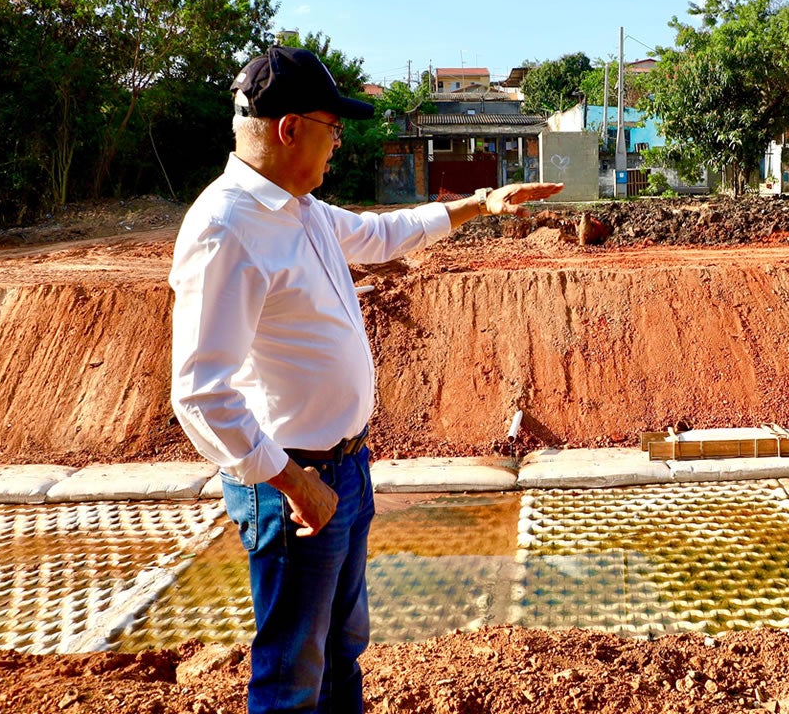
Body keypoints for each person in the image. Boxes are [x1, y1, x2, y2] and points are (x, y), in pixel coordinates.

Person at [168, 45, 562, 714]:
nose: (339, 145)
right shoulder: (227, 229)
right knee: (292, 673)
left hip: (344, 468)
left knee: (339, 650)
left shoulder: (302, 210)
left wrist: (484, 203)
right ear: (290, 128)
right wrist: (295, 485)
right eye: (333, 128)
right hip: (293, 488)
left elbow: (384, 236)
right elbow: (200, 391)